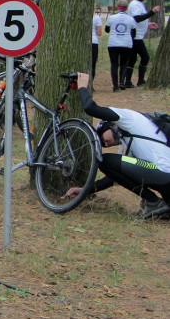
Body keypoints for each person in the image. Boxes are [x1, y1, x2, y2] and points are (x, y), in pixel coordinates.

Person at [65, 72, 169, 219]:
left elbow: (91, 108)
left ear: (109, 125)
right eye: (104, 144)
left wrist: (82, 87)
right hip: (164, 179)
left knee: (105, 160)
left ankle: (153, 203)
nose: (105, 143)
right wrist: (85, 190)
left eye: (102, 137)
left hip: (162, 172)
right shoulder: (131, 144)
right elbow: (114, 177)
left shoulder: (129, 118)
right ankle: (160, 206)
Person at [124, 0, 161, 88]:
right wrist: (152, 12)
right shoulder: (135, 4)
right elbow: (137, 18)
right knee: (145, 57)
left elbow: (139, 20)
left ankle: (128, 82)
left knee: (132, 59)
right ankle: (140, 81)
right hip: (136, 36)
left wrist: (148, 25)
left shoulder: (139, 4)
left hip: (137, 35)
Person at [105, 0, 136, 92]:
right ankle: (122, 82)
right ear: (126, 8)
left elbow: (107, 30)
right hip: (126, 43)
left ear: (117, 6)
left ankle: (115, 86)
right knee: (124, 63)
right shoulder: (131, 19)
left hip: (113, 43)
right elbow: (133, 32)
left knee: (114, 64)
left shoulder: (112, 18)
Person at [91, 4, 103, 79]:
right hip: (94, 41)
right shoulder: (97, 17)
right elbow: (99, 33)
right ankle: (91, 81)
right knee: (93, 63)